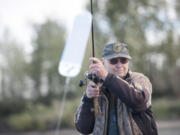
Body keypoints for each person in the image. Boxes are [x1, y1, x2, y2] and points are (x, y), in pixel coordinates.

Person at [75, 42, 158, 135]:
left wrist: (106, 76)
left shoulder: (140, 79)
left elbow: (139, 102)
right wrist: (88, 98)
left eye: (123, 60)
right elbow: (83, 128)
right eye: (113, 61)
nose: (119, 65)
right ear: (102, 62)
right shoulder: (96, 86)